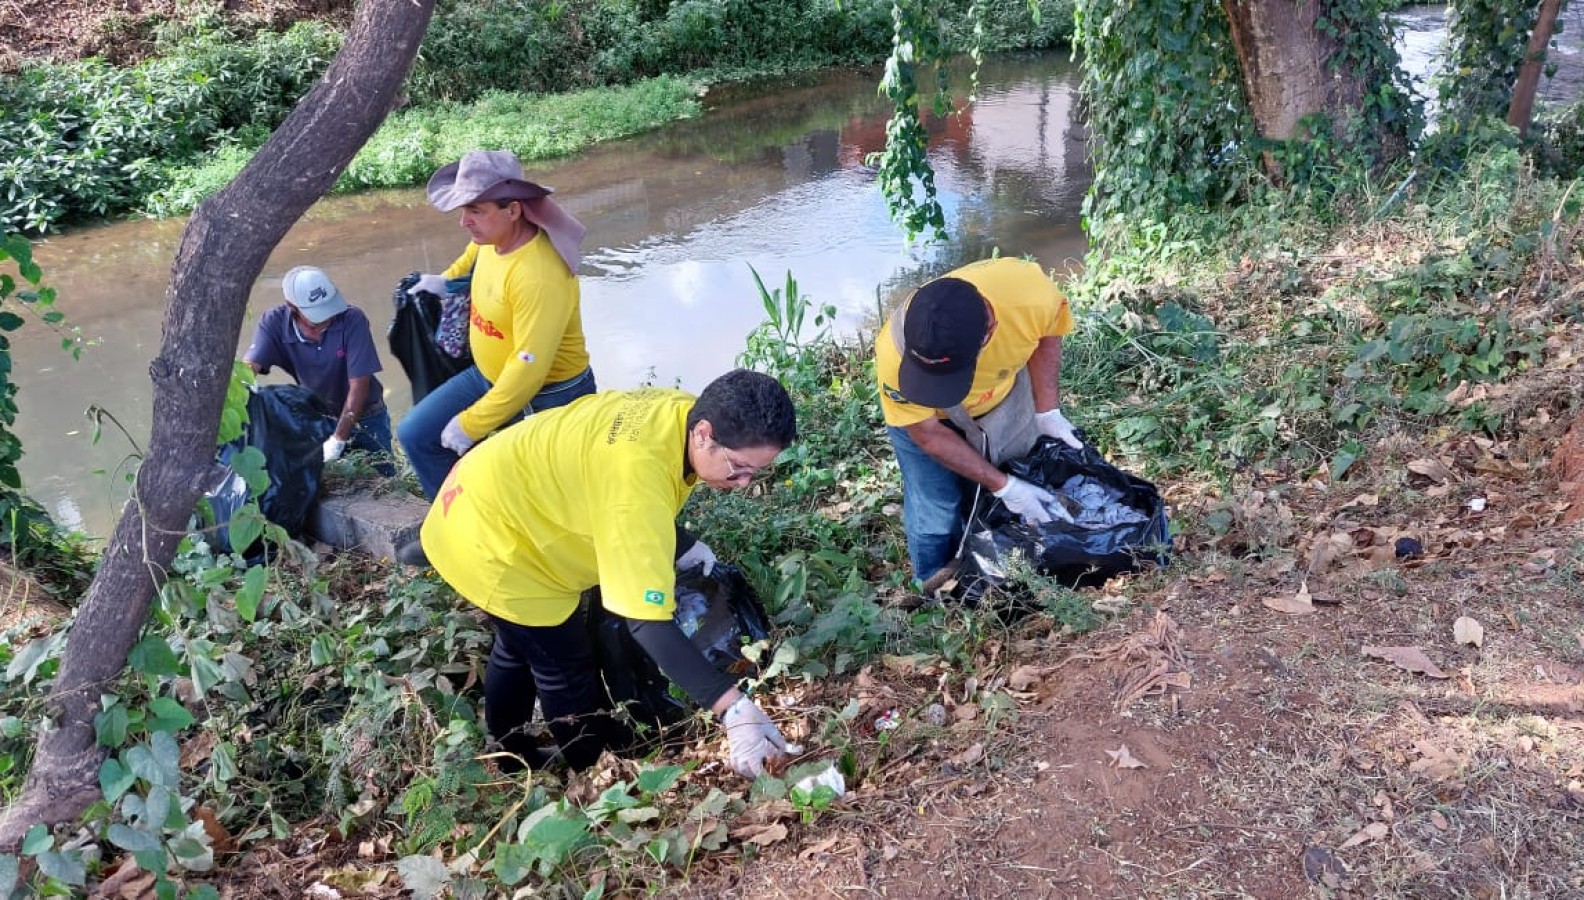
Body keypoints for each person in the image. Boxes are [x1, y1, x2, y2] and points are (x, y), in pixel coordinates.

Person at [417, 369, 798, 778]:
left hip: (480, 489)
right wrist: (732, 708)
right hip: (492, 544)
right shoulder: (635, 483)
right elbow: (648, 623)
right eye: (738, 468)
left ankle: (509, 750)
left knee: (516, 645)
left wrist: (682, 544)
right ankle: (592, 774)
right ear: (704, 433)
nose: (743, 483)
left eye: (756, 472)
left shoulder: (679, 411)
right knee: (564, 665)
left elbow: (620, 486)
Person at [397, 149, 597, 500]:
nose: (464, 222)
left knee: (549, 489)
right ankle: (456, 523)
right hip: (490, 375)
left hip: (549, 394)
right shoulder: (491, 240)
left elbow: (528, 370)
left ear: (514, 210)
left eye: (475, 211)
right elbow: (468, 262)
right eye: (463, 211)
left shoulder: (537, 274)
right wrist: (442, 282)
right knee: (417, 433)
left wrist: (471, 424)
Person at [875, 257, 1085, 587]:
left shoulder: (1031, 297)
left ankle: (1004, 569)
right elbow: (928, 434)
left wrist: (1047, 413)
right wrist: (1004, 485)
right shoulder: (893, 352)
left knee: (1005, 487)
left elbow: (1048, 336)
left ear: (990, 331)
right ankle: (932, 586)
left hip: (1002, 400)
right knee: (937, 509)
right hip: (930, 423)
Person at [243, 265, 395, 474]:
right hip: (320, 418)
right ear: (292, 307)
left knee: (384, 478)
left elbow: (359, 384)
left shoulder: (352, 320)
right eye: (315, 315)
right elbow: (249, 368)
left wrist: (339, 438)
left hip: (367, 416)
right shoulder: (275, 323)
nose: (327, 317)